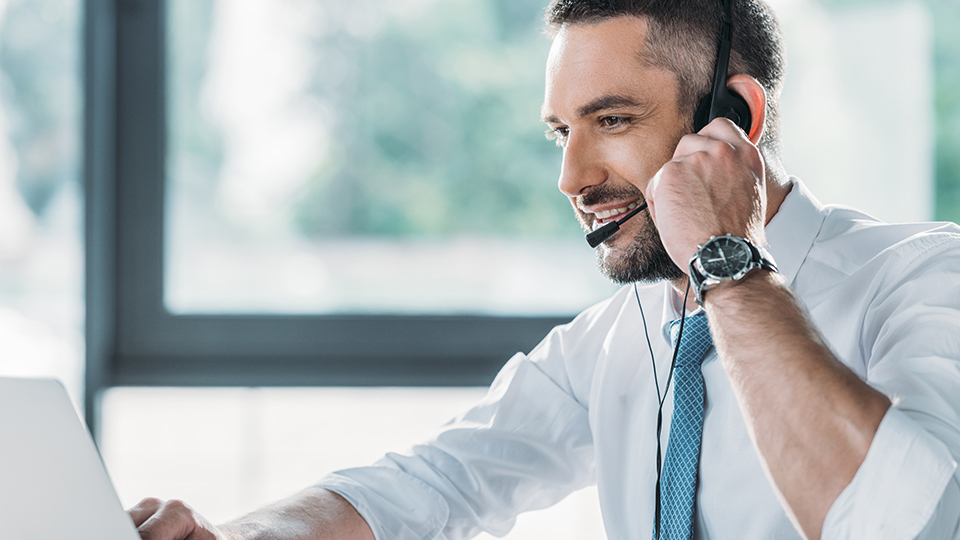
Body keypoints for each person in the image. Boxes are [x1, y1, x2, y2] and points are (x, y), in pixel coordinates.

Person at [130, 0, 960, 539]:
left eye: (612, 119)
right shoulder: (612, 345)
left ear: (733, 118)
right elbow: (438, 482)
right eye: (563, 132)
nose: (572, 177)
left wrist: (724, 261)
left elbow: (900, 522)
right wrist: (233, 537)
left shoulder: (922, 280)